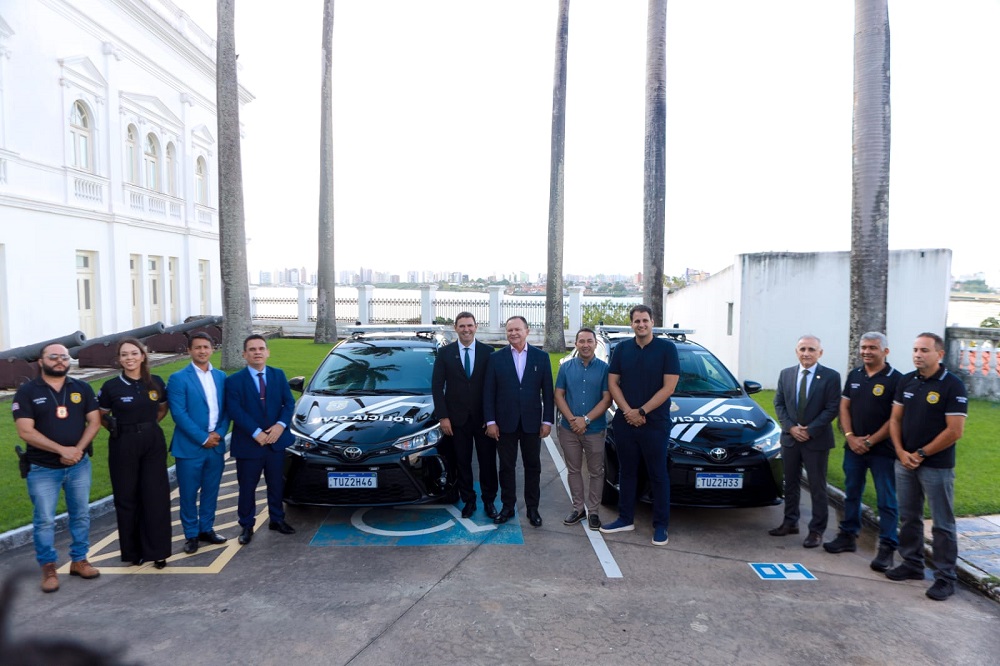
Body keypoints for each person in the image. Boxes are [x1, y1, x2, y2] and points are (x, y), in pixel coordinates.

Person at [12, 343, 101, 592]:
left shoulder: (81, 388)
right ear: (41, 362)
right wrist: (62, 450)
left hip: (79, 466)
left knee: (81, 514)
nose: (60, 361)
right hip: (42, 468)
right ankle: (48, 567)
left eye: (64, 357)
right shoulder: (27, 392)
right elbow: (25, 431)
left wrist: (77, 450)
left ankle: (79, 560)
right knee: (44, 520)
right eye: (53, 357)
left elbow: (95, 422)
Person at [886, 332, 967, 601]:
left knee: (942, 523)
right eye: (915, 350)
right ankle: (912, 564)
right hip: (904, 461)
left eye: (924, 350)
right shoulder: (907, 381)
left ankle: (945, 577)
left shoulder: (953, 385)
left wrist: (921, 453)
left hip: (936, 466)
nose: (918, 355)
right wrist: (900, 451)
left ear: (939, 354)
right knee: (909, 517)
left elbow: (955, 431)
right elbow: (895, 420)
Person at [600, 305, 679, 546]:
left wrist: (642, 411)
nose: (641, 324)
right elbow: (613, 383)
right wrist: (628, 411)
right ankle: (625, 519)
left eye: (645, 320)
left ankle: (661, 526)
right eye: (637, 321)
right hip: (626, 422)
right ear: (631, 324)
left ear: (652, 322)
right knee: (627, 471)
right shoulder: (622, 349)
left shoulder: (667, 349)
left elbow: (669, 387)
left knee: (658, 474)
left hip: (655, 423)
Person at [823, 332, 901, 571]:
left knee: (886, 500)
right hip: (853, 448)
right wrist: (850, 436)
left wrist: (870, 441)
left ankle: (887, 546)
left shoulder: (897, 379)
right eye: (863, 347)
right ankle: (848, 535)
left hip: (883, 451)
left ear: (885, 351)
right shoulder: (855, 375)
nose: (866, 351)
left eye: (872, 348)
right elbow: (844, 407)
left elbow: (895, 418)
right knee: (852, 493)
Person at [97, 338, 171, 569]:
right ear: (119, 359)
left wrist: (146, 427)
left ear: (142, 356)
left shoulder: (156, 382)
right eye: (124, 354)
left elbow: (162, 408)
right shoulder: (111, 386)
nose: (129, 358)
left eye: (134, 353)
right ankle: (133, 551)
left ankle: (158, 552)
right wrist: (120, 430)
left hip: (152, 442)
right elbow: (101, 415)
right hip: (123, 442)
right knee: (127, 497)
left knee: (156, 496)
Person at [770, 335, 842, 548]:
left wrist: (810, 431)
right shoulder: (786, 374)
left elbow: (832, 408)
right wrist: (791, 428)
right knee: (790, 483)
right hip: (790, 439)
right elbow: (779, 403)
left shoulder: (831, 376)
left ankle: (816, 531)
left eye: (811, 349)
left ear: (820, 353)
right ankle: (790, 522)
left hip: (816, 441)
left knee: (817, 486)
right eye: (802, 349)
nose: (806, 353)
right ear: (796, 351)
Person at [483, 316, 554, 527]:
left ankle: (532, 509)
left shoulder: (541, 357)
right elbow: (489, 392)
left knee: (533, 466)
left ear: (527, 331)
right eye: (510, 330)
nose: (513, 333)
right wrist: (490, 421)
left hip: (532, 423)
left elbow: (548, 392)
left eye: (517, 329)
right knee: (506, 467)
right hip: (505, 423)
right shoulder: (496, 358)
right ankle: (507, 507)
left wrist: (547, 421)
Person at [225, 334, 296, 545]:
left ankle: (277, 519)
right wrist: (256, 432)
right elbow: (235, 410)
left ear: (267, 352)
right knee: (247, 487)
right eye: (252, 349)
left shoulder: (278, 375)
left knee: (276, 484)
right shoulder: (234, 381)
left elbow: (289, 403)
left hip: (275, 442)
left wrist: (280, 426)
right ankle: (246, 525)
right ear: (244, 354)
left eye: (261, 348)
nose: (257, 352)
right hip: (249, 444)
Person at [167, 332, 230, 555]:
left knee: (211, 491)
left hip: (216, 445)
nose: (202, 351)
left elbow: (227, 410)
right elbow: (179, 413)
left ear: (212, 349)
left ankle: (206, 529)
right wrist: (203, 438)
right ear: (189, 351)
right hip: (189, 447)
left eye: (206, 347)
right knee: (188, 493)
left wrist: (219, 434)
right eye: (197, 347)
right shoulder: (178, 378)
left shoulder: (221, 377)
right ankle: (191, 534)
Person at [431, 312, 499, 519]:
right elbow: (437, 387)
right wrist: (443, 417)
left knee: (488, 463)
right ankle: (468, 501)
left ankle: (489, 501)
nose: (466, 329)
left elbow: (495, 387)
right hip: (456, 420)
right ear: (455, 328)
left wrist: (492, 418)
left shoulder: (489, 352)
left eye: (469, 325)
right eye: (462, 326)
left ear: (476, 327)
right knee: (462, 462)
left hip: (484, 420)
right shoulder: (445, 353)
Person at [554, 327, 611, 531]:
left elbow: (607, 399)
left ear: (595, 344)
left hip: (595, 429)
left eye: (589, 341)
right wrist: (572, 419)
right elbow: (558, 395)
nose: (585, 345)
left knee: (596, 471)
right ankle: (578, 509)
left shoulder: (605, 369)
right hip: (569, 429)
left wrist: (585, 420)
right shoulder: (566, 367)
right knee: (574, 470)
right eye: (581, 341)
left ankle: (593, 512)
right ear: (576, 344)